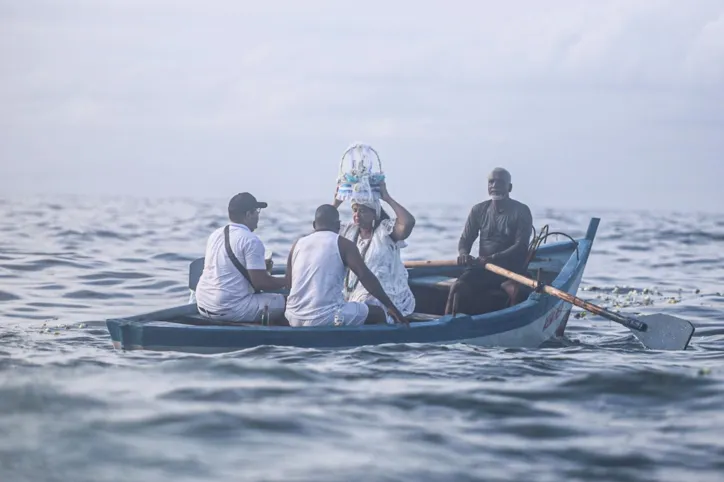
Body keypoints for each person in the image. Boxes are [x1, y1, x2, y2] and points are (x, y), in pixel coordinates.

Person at [284, 204, 408, 327]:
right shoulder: (344, 244)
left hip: (292, 317)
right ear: (338, 225)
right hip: (325, 317)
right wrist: (391, 307)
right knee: (379, 313)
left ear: (313, 225)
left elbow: (289, 283)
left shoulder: (297, 244)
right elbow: (365, 277)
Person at [445, 168, 533, 315]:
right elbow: (465, 239)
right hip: (484, 269)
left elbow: (521, 246)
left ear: (509, 187)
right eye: (491, 182)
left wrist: (492, 258)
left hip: (511, 271)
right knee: (457, 287)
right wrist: (463, 253)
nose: (494, 185)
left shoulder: (521, 210)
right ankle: (446, 324)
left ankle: (508, 327)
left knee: (516, 292)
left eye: (500, 182)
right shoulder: (478, 210)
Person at [194, 192, 288, 323]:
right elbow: (261, 283)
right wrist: (288, 281)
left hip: (203, 304)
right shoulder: (251, 240)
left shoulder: (215, 234)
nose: (258, 216)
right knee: (291, 302)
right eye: (256, 211)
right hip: (229, 309)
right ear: (248, 214)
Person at [332, 181, 416, 323]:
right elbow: (320, 230)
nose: (357, 214)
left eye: (363, 210)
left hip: (385, 295)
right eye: (355, 210)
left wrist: (387, 198)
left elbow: (408, 222)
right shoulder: (348, 230)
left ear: (374, 213)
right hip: (352, 295)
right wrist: (336, 203)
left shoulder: (385, 230)